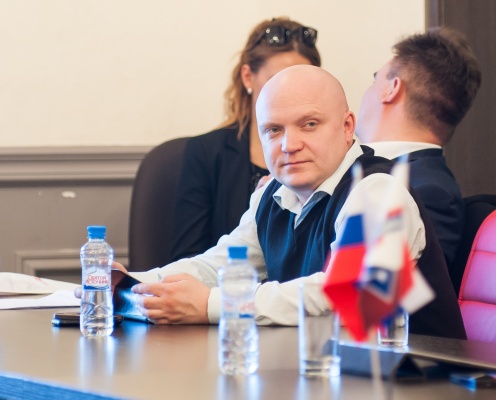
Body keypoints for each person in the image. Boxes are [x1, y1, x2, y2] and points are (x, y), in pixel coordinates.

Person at [128, 65, 465, 340]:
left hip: (420, 383)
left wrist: (214, 304)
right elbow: (218, 266)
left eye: (309, 125)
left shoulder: (379, 192)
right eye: (273, 130)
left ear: (347, 127)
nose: (289, 145)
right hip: (325, 376)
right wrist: (133, 283)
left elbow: (345, 296)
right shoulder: (273, 193)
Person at [170, 17, 321, 261]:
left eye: (300, 82)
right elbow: (188, 258)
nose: (289, 94)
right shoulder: (205, 153)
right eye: (276, 81)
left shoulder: (329, 151)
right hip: (225, 282)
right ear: (248, 76)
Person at [357, 27, 482, 269]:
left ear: (392, 88)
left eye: (375, 79)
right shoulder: (357, 167)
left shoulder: (429, 192)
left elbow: (376, 287)